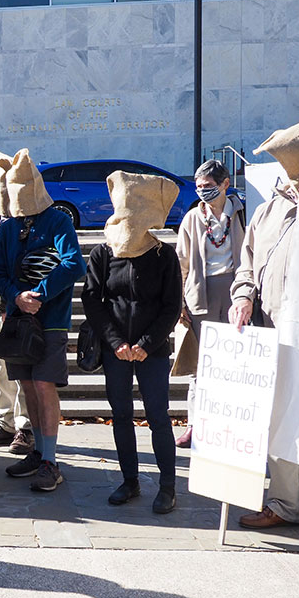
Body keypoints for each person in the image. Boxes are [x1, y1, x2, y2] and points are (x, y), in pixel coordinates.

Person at [82, 171, 182, 514]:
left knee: (158, 416)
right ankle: (130, 481)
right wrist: (115, 342)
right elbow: (93, 300)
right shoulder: (103, 253)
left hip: (151, 351)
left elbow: (171, 306)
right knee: (121, 414)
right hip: (116, 351)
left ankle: (168, 486)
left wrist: (146, 343)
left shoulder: (163, 256)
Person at [230, 119, 299, 530]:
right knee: (283, 417)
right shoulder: (268, 209)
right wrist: (242, 296)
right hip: (273, 331)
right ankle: (284, 503)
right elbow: (247, 263)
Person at [0, 149, 86, 492]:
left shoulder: (59, 221)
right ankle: (38, 450)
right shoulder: (9, 228)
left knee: (44, 384)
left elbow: (74, 264)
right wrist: (17, 297)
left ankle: (51, 460)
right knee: (27, 386)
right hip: (18, 321)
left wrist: (40, 294)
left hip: (52, 321)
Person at [174, 159, 245, 447]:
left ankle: (233, 426)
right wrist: (179, 303)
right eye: (199, 187)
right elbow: (180, 261)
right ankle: (196, 424)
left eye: (209, 187)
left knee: (235, 364)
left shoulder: (242, 213)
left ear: (225, 184)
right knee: (200, 367)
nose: (203, 192)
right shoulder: (192, 218)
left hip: (235, 292)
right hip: (200, 295)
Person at [0, 155, 34, 456]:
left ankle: (24, 427)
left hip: (18, 308)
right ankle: (5, 422)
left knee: (21, 372)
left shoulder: (29, 218)